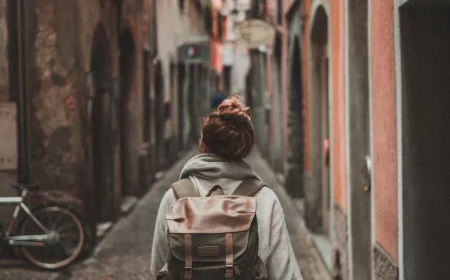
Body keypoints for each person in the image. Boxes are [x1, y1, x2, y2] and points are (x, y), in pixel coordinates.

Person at [150, 96, 303, 279]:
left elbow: (159, 266)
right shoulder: (265, 199)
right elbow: (286, 273)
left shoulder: (175, 199)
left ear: (203, 144)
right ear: (244, 147)